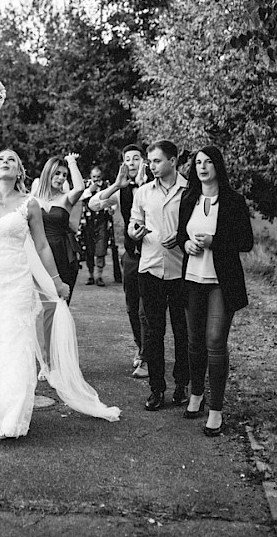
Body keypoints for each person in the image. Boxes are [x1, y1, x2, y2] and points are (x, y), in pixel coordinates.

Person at [0, 92, 119, 440]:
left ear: (20, 171)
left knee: (12, 343)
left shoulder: (31, 204)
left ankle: (9, 414)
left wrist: (56, 283)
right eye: (1, 158)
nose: (6, 161)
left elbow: (41, 246)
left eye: (12, 159)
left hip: (16, 282)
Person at [175, 145, 254, 436]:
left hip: (222, 282)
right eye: (198, 163)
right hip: (193, 278)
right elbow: (181, 233)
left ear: (218, 166)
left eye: (208, 162)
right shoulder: (189, 198)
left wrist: (214, 241)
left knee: (215, 341)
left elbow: (246, 241)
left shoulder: (233, 201)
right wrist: (186, 243)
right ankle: (197, 393)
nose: (203, 167)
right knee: (194, 341)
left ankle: (216, 410)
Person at [128, 140, 190, 411]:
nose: (150, 166)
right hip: (150, 267)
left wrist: (182, 236)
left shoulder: (189, 190)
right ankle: (156, 389)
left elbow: (197, 223)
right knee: (153, 332)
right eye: (149, 161)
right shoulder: (142, 192)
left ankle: (182, 385)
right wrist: (134, 231)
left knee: (182, 331)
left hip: (181, 270)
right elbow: (134, 222)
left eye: (156, 161)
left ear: (173, 161)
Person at [87, 144, 150, 378]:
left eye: (136, 158)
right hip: (132, 255)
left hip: (154, 255)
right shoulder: (121, 190)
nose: (132, 163)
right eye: (128, 159)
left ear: (144, 161)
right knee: (132, 306)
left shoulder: (155, 186)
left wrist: (145, 184)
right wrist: (116, 184)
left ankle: (146, 356)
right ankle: (141, 347)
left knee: (146, 309)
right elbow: (93, 203)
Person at [33, 153, 85, 302]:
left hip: (63, 253)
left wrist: (71, 162)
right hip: (39, 253)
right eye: (57, 173)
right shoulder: (32, 200)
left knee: (60, 301)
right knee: (40, 303)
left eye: (64, 175)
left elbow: (80, 187)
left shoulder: (66, 198)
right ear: (47, 173)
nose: (61, 178)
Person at [79, 167, 113, 286]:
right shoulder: (86, 185)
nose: (96, 179)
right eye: (94, 177)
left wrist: (112, 209)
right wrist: (89, 189)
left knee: (101, 248)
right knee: (89, 249)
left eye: (98, 177)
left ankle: (99, 275)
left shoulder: (106, 185)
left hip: (102, 221)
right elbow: (80, 197)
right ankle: (90, 275)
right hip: (88, 222)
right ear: (90, 176)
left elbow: (112, 200)